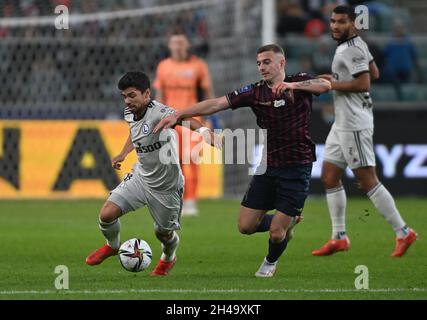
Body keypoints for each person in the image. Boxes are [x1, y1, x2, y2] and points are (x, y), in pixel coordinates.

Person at [154, 44, 331, 277]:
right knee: (246, 226)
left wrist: (292, 85)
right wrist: (179, 114)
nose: (262, 67)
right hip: (268, 166)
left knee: (277, 233)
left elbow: (326, 84)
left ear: (281, 63)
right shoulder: (255, 92)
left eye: (267, 62)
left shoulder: (300, 82)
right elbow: (216, 103)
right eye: (259, 63)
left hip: (298, 168)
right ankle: (289, 219)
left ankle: (269, 262)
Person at [85, 71, 220, 276]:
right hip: (141, 177)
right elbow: (135, 131)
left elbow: (186, 119)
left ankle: (168, 257)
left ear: (146, 93)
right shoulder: (130, 112)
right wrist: (123, 153)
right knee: (106, 214)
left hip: (167, 186)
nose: (127, 101)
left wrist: (204, 133)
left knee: (163, 234)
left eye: (132, 95)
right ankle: (112, 246)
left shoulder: (160, 112)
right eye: (124, 96)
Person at [312, 5, 417, 257]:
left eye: (341, 22)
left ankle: (403, 231)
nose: (335, 26)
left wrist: (331, 84)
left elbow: (364, 82)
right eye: (333, 21)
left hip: (354, 123)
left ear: (354, 24)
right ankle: (339, 237)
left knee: (367, 179)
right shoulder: (354, 45)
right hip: (342, 122)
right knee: (329, 175)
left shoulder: (353, 48)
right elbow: (375, 71)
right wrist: (334, 77)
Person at [154, 32, 215, 216]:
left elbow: (208, 92)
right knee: (174, 160)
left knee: (192, 158)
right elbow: (160, 94)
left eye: (181, 42)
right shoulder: (163, 66)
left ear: (187, 44)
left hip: (193, 118)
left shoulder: (198, 65)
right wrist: (156, 116)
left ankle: (190, 201)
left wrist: (209, 117)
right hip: (171, 119)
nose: (178, 46)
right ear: (170, 45)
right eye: (174, 42)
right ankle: (177, 198)